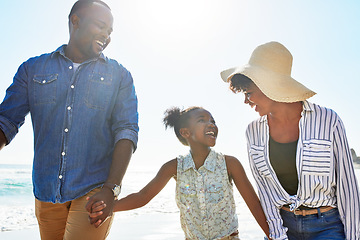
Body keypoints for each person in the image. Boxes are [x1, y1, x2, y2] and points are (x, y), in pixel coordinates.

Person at [0, 0, 138, 239]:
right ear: (76, 21)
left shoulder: (119, 75)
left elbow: (126, 131)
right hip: (45, 191)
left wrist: (111, 188)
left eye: (110, 31)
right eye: (101, 26)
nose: (106, 35)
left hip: (94, 190)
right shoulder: (32, 69)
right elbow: (6, 121)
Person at [220, 41, 360, 239]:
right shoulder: (253, 131)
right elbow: (265, 191)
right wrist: (277, 235)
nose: (246, 101)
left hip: (327, 227)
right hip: (283, 226)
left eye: (248, 93)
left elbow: (348, 187)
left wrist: (354, 236)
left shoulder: (329, 120)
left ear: (268, 85)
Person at [86, 106, 270, 240]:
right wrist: (110, 208)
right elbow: (143, 196)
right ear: (185, 132)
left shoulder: (229, 163)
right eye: (202, 120)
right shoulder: (173, 167)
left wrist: (273, 236)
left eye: (213, 120)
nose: (211, 124)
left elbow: (253, 204)